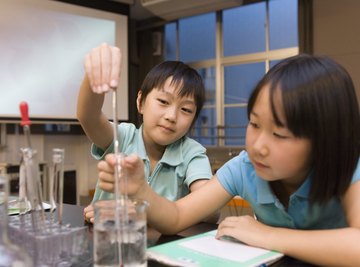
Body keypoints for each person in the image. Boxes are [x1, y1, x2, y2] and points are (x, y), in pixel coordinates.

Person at [98, 54, 360, 266]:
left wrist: (268, 235)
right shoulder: (244, 168)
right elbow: (177, 216)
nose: (258, 146)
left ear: (326, 139)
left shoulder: (350, 167)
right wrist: (141, 190)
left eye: (279, 134)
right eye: (254, 124)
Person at [77, 43, 213, 223]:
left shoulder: (192, 153)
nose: (172, 116)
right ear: (140, 102)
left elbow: (210, 211)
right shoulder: (123, 137)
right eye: (164, 101)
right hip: (105, 241)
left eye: (186, 110)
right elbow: (88, 116)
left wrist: (141, 210)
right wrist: (94, 74)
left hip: (162, 249)